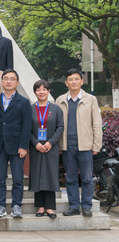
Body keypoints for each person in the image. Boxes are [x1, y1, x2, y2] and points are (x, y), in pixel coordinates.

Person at [56, 69, 103, 217]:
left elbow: (97, 124)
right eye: (70, 79)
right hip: (67, 145)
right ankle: (74, 206)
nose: (74, 82)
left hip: (85, 145)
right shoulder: (60, 100)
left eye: (76, 79)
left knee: (87, 178)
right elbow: (56, 124)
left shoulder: (91, 99)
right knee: (70, 178)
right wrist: (58, 145)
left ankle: (87, 206)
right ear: (66, 83)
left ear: (82, 81)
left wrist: (96, 145)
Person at [0, 69, 32, 218]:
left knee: (18, 178)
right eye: (6, 78)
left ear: (17, 82)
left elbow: (27, 126)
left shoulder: (24, 102)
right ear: (2, 81)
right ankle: (0, 206)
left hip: (17, 146)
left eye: (12, 79)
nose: (8, 81)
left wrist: (23, 146)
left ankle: (16, 206)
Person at [30, 79, 64, 219]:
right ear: (35, 92)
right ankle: (40, 207)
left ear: (48, 91)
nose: (41, 92)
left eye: (44, 89)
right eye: (38, 90)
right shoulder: (30, 108)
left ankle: (50, 207)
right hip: (35, 147)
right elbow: (26, 128)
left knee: (50, 174)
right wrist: (35, 143)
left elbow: (60, 127)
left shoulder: (56, 109)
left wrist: (50, 142)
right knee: (37, 174)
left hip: (51, 147)